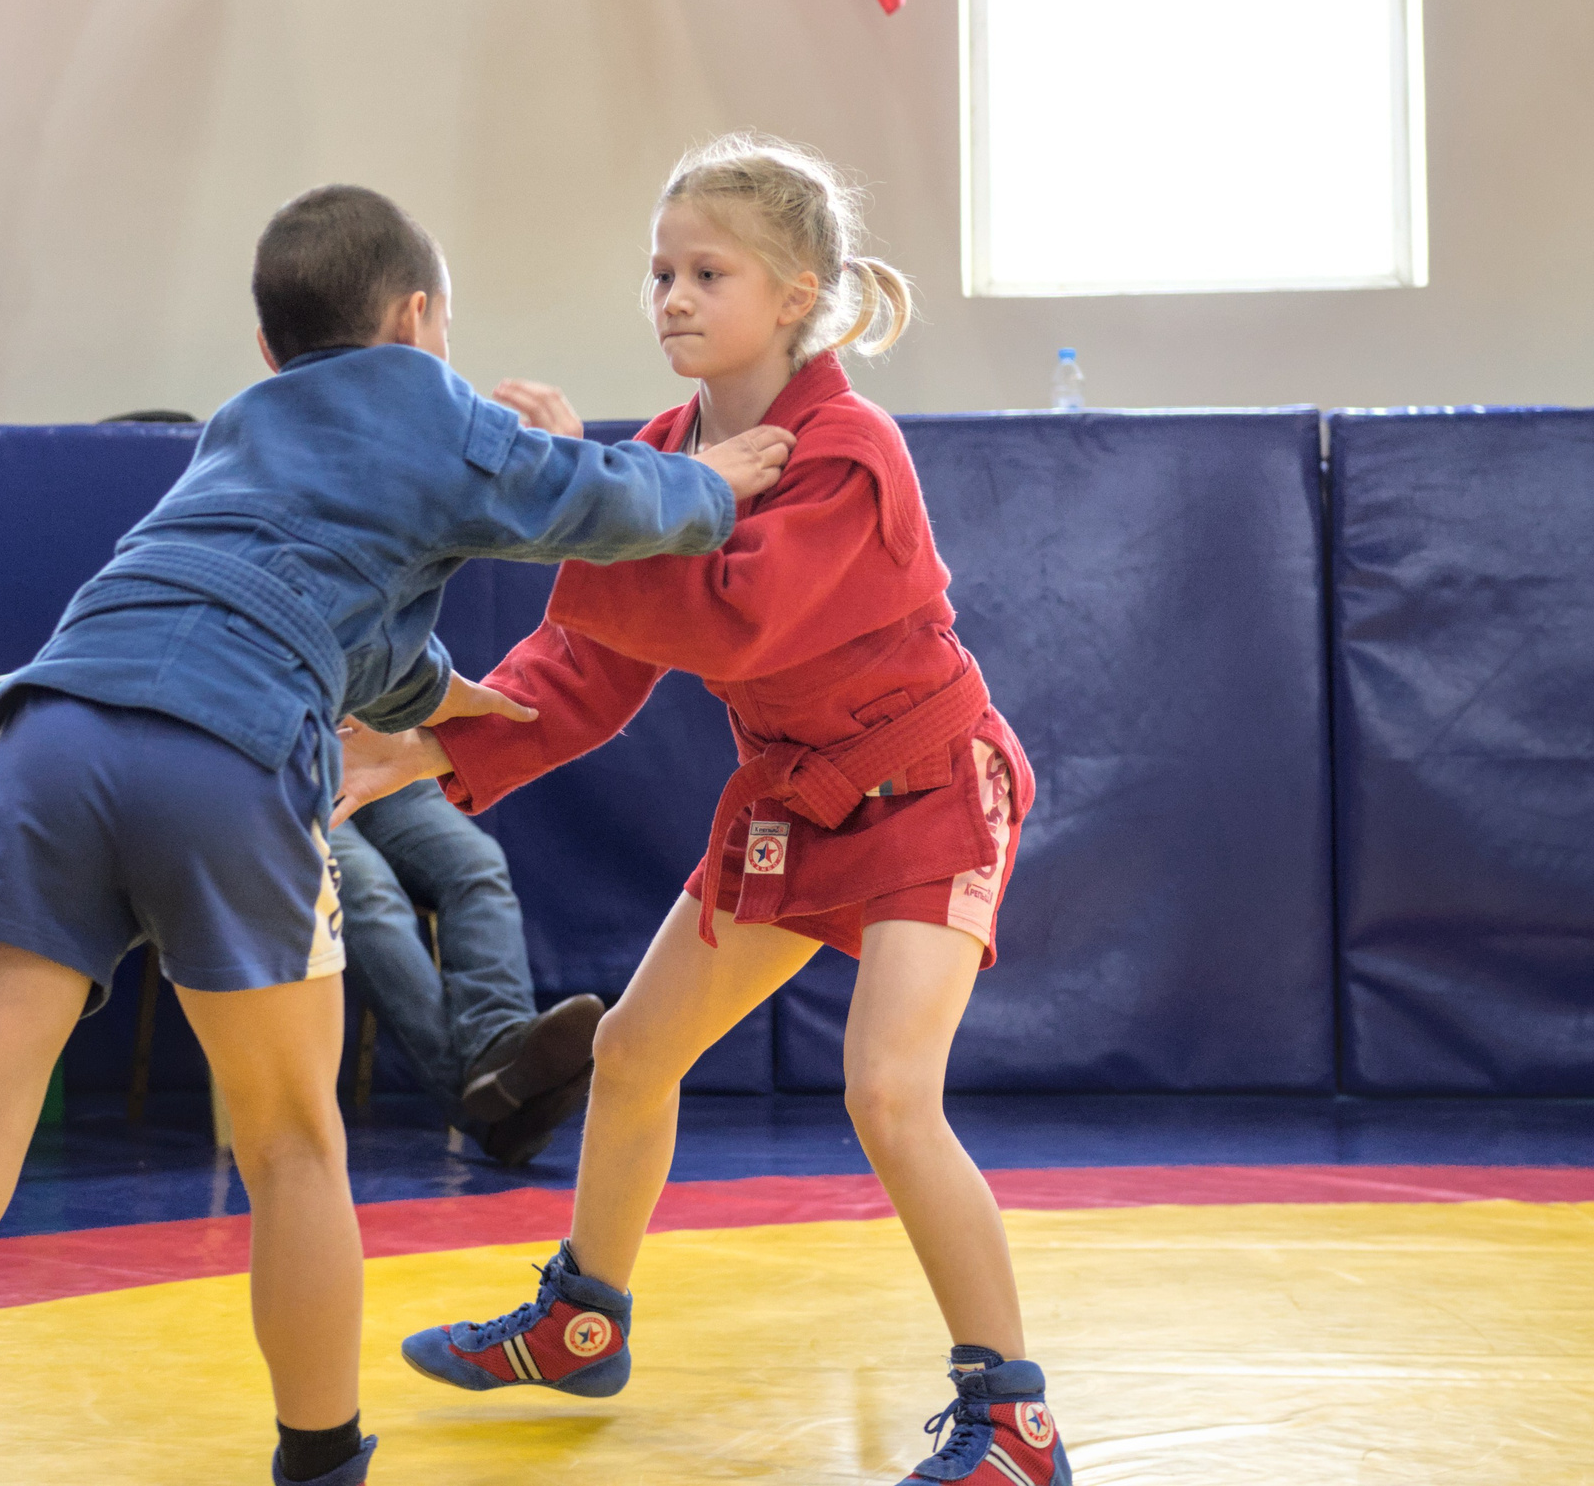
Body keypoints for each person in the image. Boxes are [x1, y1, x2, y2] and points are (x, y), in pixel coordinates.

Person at [0, 184, 798, 1486]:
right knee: (290, 1148)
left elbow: (350, 632)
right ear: (417, 317)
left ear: (269, 347)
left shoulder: (242, 426)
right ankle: (322, 1462)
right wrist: (712, 484)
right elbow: (582, 498)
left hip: (54, 727)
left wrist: (463, 702)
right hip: (221, 743)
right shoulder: (416, 390)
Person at [343, 134, 1066, 1486]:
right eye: (658, 271)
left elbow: (736, 616)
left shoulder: (850, 452)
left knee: (892, 1094)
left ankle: (1013, 1416)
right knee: (630, 1051)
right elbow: (590, 668)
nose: (670, 295)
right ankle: (581, 1317)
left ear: (798, 292)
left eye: (706, 272)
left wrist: (564, 509)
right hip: (795, 803)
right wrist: (429, 745)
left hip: (930, 793)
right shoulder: (674, 450)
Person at [332, 781, 602, 1165]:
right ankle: (486, 1110)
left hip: (382, 768)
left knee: (478, 864)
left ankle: (497, 1043)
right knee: (368, 892)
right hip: (288, 772)